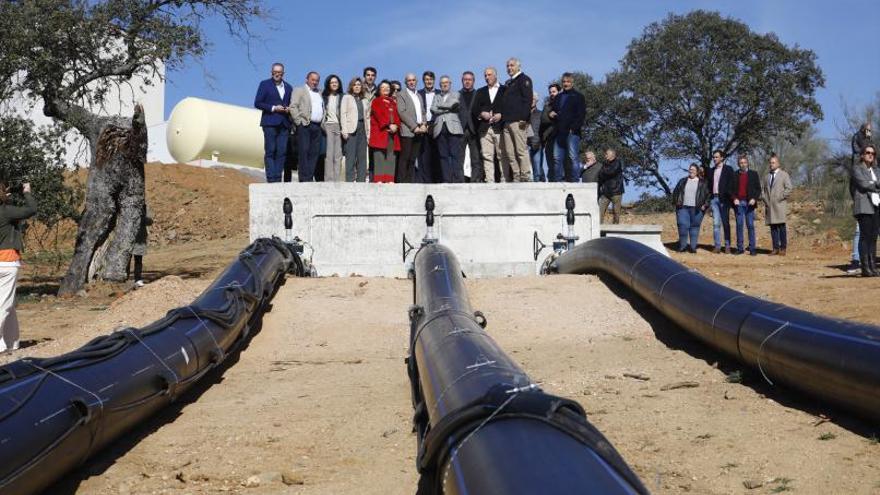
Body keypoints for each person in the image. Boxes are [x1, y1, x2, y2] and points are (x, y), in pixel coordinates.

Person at [0, 182, 36, 352]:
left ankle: (11, 343)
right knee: (3, 305)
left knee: (10, 304)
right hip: (7, 262)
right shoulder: (7, 211)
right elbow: (31, 209)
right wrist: (26, 192)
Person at [253, 63, 293, 183]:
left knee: (282, 152)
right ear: (271, 72)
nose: (276, 74)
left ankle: (277, 178)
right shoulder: (265, 84)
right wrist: (273, 108)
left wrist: (288, 109)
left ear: (283, 73)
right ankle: (271, 179)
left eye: (279, 72)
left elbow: (291, 104)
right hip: (270, 122)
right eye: (274, 72)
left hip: (284, 124)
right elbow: (258, 103)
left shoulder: (289, 87)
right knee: (270, 150)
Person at [500, 57, 534, 182]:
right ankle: (516, 176)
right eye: (508, 66)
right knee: (510, 152)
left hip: (518, 121)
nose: (509, 68)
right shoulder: (508, 83)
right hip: (507, 122)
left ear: (518, 66)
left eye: (512, 65)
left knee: (521, 150)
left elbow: (527, 99)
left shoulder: (524, 79)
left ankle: (525, 175)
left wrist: (524, 118)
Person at [850, 144, 880, 276]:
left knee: (873, 237)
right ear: (862, 155)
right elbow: (862, 184)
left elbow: (869, 184)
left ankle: (873, 266)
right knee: (865, 237)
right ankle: (865, 267)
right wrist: (874, 184)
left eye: (873, 153)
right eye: (868, 152)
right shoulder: (857, 169)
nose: (870, 155)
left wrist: (871, 184)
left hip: (876, 205)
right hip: (863, 206)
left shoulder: (876, 170)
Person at [550, 73, 586, 182]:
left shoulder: (578, 97)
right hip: (559, 132)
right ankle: (558, 180)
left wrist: (573, 128)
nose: (566, 84)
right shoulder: (558, 97)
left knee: (573, 157)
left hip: (572, 132)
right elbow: (554, 111)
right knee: (557, 158)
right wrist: (551, 114)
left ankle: (575, 180)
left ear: (572, 82)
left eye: (568, 82)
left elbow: (581, 115)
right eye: (564, 82)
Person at [473, 67, 506, 183]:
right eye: (485, 75)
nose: (487, 77)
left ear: (495, 75)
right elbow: (474, 108)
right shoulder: (480, 91)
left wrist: (501, 115)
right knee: (487, 156)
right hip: (484, 128)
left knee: (502, 155)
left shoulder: (504, 90)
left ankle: (504, 180)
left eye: (489, 75)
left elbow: (509, 107)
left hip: (500, 128)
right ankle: (490, 181)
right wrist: (482, 114)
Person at [289, 71, 324, 182]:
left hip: (317, 126)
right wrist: (299, 122)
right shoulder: (299, 90)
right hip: (305, 125)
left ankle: (309, 177)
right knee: (304, 152)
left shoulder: (319, 92)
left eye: (317, 80)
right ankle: (304, 179)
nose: (315, 82)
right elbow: (293, 106)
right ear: (307, 79)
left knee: (314, 153)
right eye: (313, 79)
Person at [848, 123, 873, 272]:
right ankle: (856, 260)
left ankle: (867, 261)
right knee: (860, 230)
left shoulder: (874, 168)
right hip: (862, 201)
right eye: (868, 129)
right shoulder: (856, 166)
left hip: (874, 201)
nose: (870, 154)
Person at [395, 73, 428, 183]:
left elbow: (423, 112)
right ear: (406, 82)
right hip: (408, 130)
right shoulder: (401, 94)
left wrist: (423, 124)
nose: (411, 82)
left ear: (416, 81)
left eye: (413, 80)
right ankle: (401, 182)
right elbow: (402, 112)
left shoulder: (418, 95)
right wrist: (414, 127)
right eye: (409, 80)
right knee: (405, 157)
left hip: (420, 130)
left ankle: (410, 181)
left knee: (413, 158)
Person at [431, 75, 464, 183]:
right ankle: (447, 179)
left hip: (453, 127)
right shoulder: (436, 96)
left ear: (450, 84)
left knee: (455, 155)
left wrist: (441, 107)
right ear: (440, 85)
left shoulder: (456, 94)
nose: (444, 84)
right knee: (443, 156)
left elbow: (453, 104)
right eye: (442, 83)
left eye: (446, 82)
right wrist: (448, 109)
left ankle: (457, 179)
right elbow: (433, 109)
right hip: (440, 128)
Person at [727, 156, 761, 255]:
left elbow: (758, 189)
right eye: (741, 163)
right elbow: (730, 190)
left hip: (749, 203)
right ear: (738, 164)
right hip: (739, 203)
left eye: (744, 162)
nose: (743, 164)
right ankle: (740, 248)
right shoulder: (734, 175)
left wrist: (754, 198)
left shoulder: (753, 174)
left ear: (747, 163)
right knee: (739, 225)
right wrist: (734, 199)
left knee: (750, 225)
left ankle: (752, 248)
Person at [369, 81, 401, 183]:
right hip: (380, 132)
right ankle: (379, 179)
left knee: (391, 156)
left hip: (392, 133)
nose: (385, 89)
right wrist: (388, 124)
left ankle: (389, 179)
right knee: (379, 156)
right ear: (379, 89)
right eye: (383, 87)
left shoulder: (393, 102)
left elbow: (397, 116)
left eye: (387, 87)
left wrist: (396, 125)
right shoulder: (376, 101)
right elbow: (379, 115)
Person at [672, 164, 710, 253]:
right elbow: (675, 192)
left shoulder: (703, 182)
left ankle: (693, 247)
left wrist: (705, 205)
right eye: (690, 169)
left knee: (694, 227)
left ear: (697, 171)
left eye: (693, 169)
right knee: (682, 225)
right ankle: (683, 246)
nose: (691, 171)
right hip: (683, 208)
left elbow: (708, 195)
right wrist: (676, 203)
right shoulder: (682, 181)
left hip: (697, 209)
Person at [762, 153, 793, 256]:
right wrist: (765, 199)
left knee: (781, 227)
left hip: (779, 205)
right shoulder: (766, 177)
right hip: (769, 206)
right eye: (770, 163)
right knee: (773, 228)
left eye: (773, 162)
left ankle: (783, 248)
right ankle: (775, 248)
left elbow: (789, 188)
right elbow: (763, 190)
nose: (771, 164)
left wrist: (780, 197)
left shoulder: (784, 175)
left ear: (778, 163)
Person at [341, 77, 371, 182]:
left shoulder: (365, 100)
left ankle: (361, 180)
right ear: (351, 86)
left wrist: (368, 133)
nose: (357, 86)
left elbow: (367, 117)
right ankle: (349, 180)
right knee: (350, 156)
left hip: (363, 129)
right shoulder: (347, 98)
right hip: (351, 129)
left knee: (362, 157)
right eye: (355, 85)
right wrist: (344, 130)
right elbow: (343, 114)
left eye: (359, 85)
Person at [707, 150, 735, 253]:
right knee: (716, 223)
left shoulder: (728, 169)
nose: (714, 159)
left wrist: (729, 196)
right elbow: (709, 185)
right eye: (713, 157)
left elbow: (732, 184)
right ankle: (717, 246)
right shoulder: (711, 170)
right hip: (714, 199)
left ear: (722, 158)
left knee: (725, 223)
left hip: (724, 200)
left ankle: (727, 246)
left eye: (716, 157)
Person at [458, 71, 482, 182]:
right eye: (465, 79)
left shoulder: (479, 94)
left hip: (474, 129)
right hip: (460, 129)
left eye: (469, 79)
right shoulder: (457, 95)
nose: (467, 82)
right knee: (459, 158)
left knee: (476, 157)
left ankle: (475, 180)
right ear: (462, 81)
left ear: (473, 81)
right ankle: (460, 180)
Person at [418, 71, 440, 183]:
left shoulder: (440, 93)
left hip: (437, 125)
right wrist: (422, 123)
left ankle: (437, 179)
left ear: (434, 80)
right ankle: (425, 180)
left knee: (437, 153)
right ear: (423, 81)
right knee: (424, 155)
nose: (429, 81)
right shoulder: (418, 94)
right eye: (426, 79)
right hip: (423, 126)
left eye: (430, 79)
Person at [321, 74, 344, 182]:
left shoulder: (342, 97)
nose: (334, 84)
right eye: (332, 82)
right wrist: (324, 125)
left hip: (339, 126)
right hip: (328, 125)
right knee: (329, 154)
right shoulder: (324, 96)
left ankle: (337, 179)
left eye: (336, 82)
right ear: (328, 84)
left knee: (338, 155)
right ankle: (329, 180)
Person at [598, 148, 625, 224]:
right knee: (600, 210)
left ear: (612, 155)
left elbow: (611, 172)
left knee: (616, 212)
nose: (605, 155)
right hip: (605, 192)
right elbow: (600, 174)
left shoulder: (618, 162)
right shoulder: (604, 163)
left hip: (616, 191)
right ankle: (598, 228)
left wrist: (604, 172)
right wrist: (604, 173)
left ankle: (615, 228)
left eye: (607, 154)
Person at [540, 84, 561, 181]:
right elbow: (544, 119)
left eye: (554, 91)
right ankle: (552, 180)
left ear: (559, 92)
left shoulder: (564, 103)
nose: (552, 94)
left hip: (560, 136)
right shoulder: (547, 106)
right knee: (550, 162)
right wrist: (550, 114)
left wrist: (556, 116)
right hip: (549, 138)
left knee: (559, 159)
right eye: (550, 92)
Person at [131, 204, 152, 287]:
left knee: (138, 261)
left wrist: (142, 219)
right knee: (125, 259)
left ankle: (138, 279)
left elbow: (150, 221)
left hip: (140, 238)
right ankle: (124, 278)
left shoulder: (145, 207)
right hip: (126, 238)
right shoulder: (126, 203)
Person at [527, 92, 545, 182]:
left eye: (533, 99)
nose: (531, 101)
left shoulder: (541, 114)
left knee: (537, 168)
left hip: (537, 144)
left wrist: (541, 141)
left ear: (536, 100)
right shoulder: (523, 114)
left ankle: (539, 184)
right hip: (525, 145)